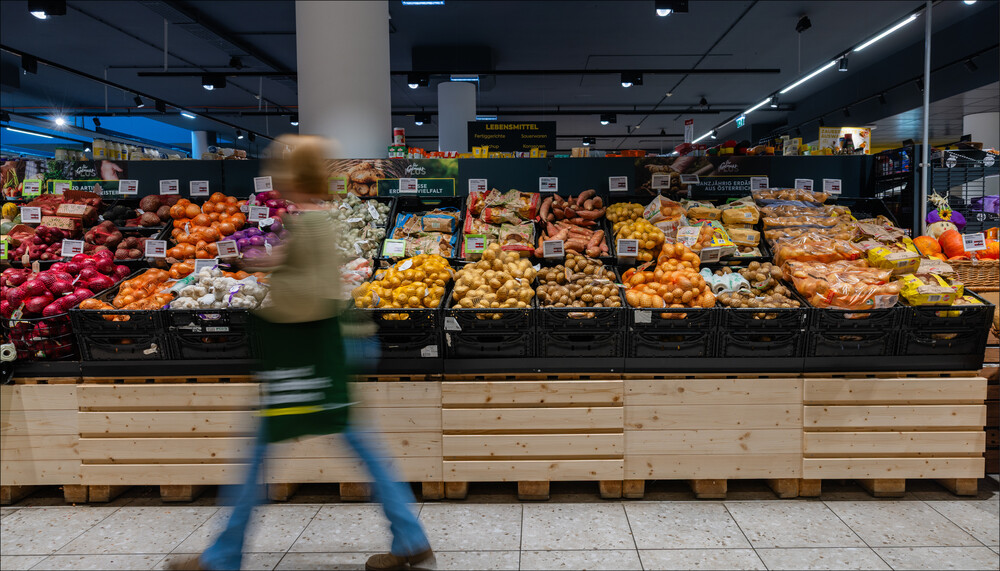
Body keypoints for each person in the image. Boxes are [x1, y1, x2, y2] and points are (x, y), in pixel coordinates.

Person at [171, 135, 432, 571]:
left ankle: (222, 557)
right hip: (324, 346)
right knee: (355, 444)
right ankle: (408, 537)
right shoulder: (315, 218)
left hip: (307, 350)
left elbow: (309, 289)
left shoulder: (308, 221)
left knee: (261, 452)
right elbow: (308, 269)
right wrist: (268, 261)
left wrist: (260, 265)